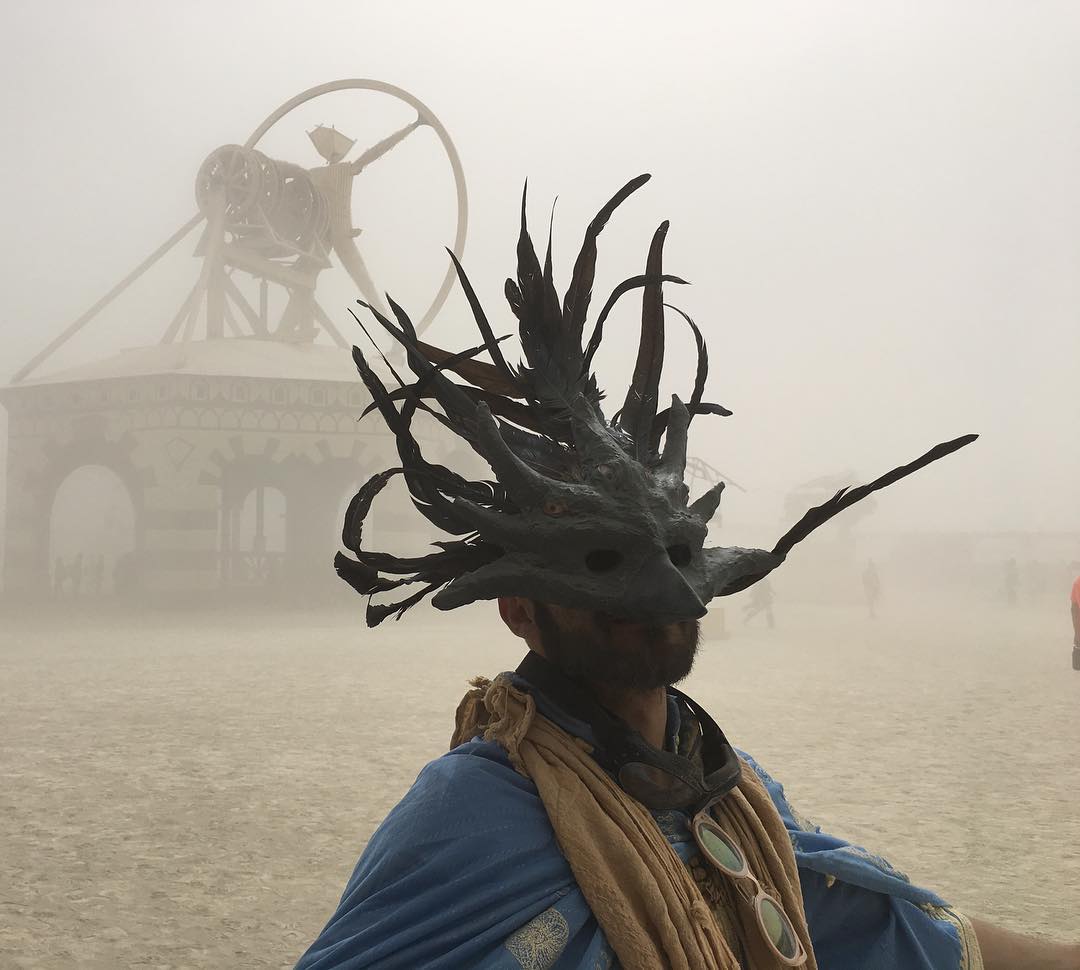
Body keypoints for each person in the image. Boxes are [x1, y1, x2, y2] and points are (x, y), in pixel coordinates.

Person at [296, 178, 1076, 968]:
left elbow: (876, 930)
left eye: (673, 555)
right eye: (599, 564)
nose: (656, 596)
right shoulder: (470, 812)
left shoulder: (732, 792)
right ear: (518, 610)